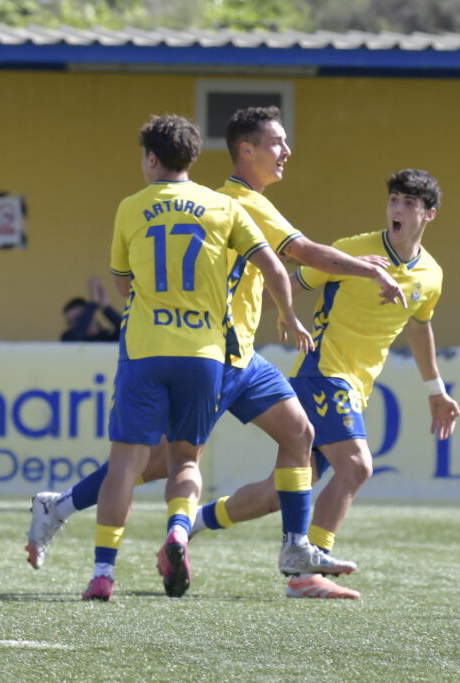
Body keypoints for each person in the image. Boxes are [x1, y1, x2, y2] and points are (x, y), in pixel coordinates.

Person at [25, 106, 404, 599]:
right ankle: (69, 510)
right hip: (214, 352)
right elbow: (303, 253)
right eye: (276, 143)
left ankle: (295, 550)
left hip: (242, 355)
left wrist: (291, 310)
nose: (286, 152)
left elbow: (278, 269)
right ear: (246, 150)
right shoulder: (236, 203)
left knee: (298, 434)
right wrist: (366, 269)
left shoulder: (220, 201)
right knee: (160, 462)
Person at [73, 113, 323, 602]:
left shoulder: (131, 207)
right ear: (193, 158)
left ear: (151, 158)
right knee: (186, 459)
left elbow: (123, 283)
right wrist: (290, 317)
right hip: (206, 353)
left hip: (146, 352)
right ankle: (179, 532)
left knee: (126, 464)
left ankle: (104, 571)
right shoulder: (222, 205)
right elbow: (273, 264)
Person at [191, 168, 460, 599]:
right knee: (357, 466)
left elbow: (419, 327)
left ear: (429, 214)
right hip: (322, 373)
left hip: (355, 387)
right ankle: (305, 571)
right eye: (393, 199)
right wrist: (284, 309)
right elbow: (293, 281)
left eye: (409, 203)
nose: (397, 209)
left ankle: (190, 524)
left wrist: (436, 391)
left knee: (276, 494)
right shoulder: (353, 251)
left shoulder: (431, 275)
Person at [60, 275, 122, 342]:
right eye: (69, 322)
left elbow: (129, 331)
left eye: (79, 318)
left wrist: (106, 308)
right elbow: (75, 339)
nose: (75, 324)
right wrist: (94, 303)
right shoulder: (67, 337)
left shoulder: (110, 336)